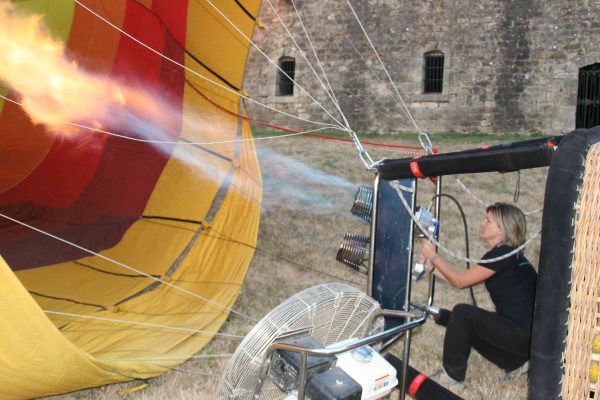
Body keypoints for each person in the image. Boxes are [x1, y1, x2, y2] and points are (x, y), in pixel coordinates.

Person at [419, 202, 537, 384]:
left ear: (502, 228)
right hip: (526, 338)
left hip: (521, 334)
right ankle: (515, 363)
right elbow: (464, 279)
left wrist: (434, 255)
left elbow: (460, 282)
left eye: (488, 220)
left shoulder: (501, 256)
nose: (482, 223)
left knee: (462, 314)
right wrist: (431, 268)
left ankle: (451, 376)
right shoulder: (509, 255)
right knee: (468, 323)